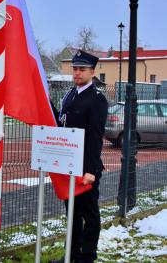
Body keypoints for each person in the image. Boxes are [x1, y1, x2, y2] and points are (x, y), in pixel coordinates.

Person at [49, 50, 108, 263]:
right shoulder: (70, 94)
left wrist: (91, 171)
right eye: (75, 69)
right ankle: (71, 255)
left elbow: (95, 138)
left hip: (85, 167)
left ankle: (87, 256)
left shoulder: (96, 99)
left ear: (92, 72)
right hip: (69, 165)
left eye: (82, 69)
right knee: (72, 214)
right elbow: (61, 121)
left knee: (89, 216)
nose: (77, 73)